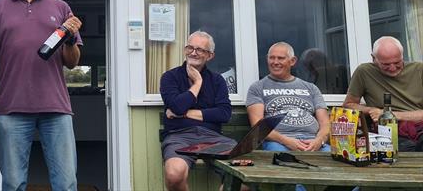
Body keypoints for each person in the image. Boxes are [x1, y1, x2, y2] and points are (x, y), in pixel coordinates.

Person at [0, 0, 83, 191]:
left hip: (56, 109)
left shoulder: (60, 8)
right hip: (11, 109)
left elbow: (72, 62)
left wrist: (69, 37)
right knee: (14, 183)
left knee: (66, 183)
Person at [247, 42, 331, 191]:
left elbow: (325, 124)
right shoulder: (258, 88)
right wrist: (289, 142)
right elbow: (258, 125)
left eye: (280, 58)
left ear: (292, 61)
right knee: (288, 174)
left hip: (314, 143)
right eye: (271, 58)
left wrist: (319, 140)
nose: (275, 62)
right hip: (279, 143)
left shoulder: (311, 88)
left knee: (346, 165)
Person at [160, 31, 234, 191]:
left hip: (214, 138)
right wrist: (197, 83)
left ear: (210, 55)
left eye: (200, 49)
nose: (193, 52)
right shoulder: (169, 77)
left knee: (243, 175)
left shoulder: (217, 80)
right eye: (190, 47)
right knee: (174, 175)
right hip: (179, 136)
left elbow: (224, 113)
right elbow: (177, 106)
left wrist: (184, 113)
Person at [343, 36, 423, 151]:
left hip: (418, 127)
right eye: (385, 64)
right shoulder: (364, 72)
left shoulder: (419, 70)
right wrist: (371, 111)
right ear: (373, 58)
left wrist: (388, 114)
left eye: (397, 62)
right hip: (387, 131)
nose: (392, 68)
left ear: (402, 55)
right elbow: (348, 104)